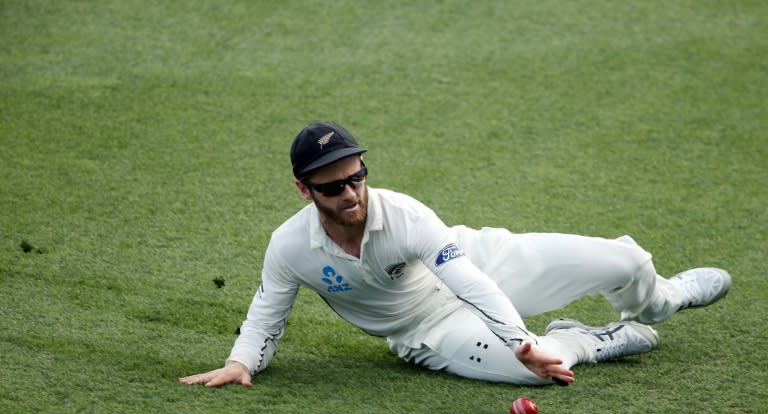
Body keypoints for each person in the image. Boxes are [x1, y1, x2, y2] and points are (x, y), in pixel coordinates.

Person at [180, 121, 731, 388]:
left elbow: (472, 282)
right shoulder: (290, 247)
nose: (351, 194)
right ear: (305, 190)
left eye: (357, 177)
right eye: (333, 187)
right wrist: (240, 363)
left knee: (629, 263)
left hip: (479, 262)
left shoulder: (407, 216)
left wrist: (513, 338)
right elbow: (267, 312)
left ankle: (665, 298)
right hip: (427, 329)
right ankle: (587, 338)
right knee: (542, 371)